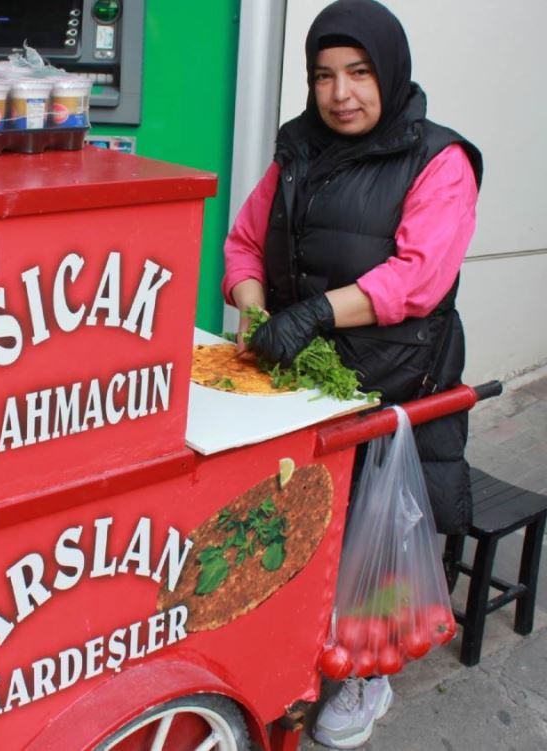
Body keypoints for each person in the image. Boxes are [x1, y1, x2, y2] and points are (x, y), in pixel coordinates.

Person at [222, 0, 482, 747]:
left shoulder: (441, 160)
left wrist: (313, 314)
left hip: (396, 379)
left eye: (359, 73)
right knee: (299, 522)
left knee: (378, 531)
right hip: (300, 380)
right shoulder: (297, 150)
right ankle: (285, 643)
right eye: (325, 76)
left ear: (390, 72)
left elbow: (419, 277)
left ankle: (368, 671)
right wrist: (253, 308)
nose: (341, 94)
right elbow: (244, 241)